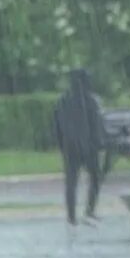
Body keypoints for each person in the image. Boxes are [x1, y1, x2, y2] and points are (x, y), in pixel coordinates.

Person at [52, 68, 105, 225]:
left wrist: (61, 143)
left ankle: (71, 216)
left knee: (71, 182)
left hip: (70, 146)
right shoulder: (91, 101)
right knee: (95, 178)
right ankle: (90, 209)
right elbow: (96, 124)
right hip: (89, 146)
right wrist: (99, 142)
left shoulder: (63, 101)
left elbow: (57, 126)